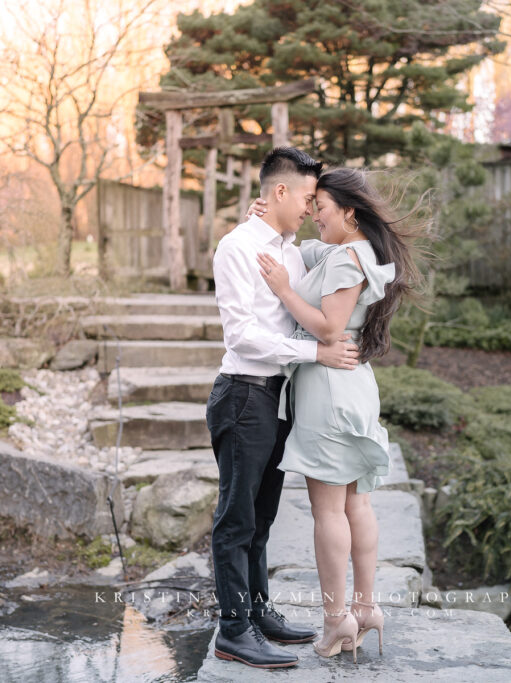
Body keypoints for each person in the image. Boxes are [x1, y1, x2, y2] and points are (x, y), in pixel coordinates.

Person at [253, 167, 420, 663]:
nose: (313, 216)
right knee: (356, 506)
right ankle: (365, 609)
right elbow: (307, 251)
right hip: (352, 386)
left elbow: (328, 327)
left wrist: (284, 289)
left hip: (329, 386)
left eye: (320, 208)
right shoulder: (355, 250)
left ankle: (334, 621)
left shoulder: (348, 258)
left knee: (329, 510)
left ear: (350, 212)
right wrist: (272, 222)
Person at [207, 147, 361, 670]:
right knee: (236, 518)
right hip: (244, 393)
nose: (310, 207)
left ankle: (259, 615)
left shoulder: (290, 250)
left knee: (263, 517)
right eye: (306, 197)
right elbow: (243, 337)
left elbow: (346, 252)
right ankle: (233, 630)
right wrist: (315, 352)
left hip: (276, 398)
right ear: (278, 193)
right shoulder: (237, 247)